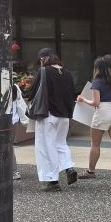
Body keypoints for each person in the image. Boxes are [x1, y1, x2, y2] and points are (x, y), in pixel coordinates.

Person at [75, 57, 111, 180]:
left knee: (95, 144)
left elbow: (96, 103)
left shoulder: (97, 81)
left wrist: (82, 99)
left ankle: (90, 171)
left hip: (102, 113)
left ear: (97, 68)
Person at [28, 48, 78, 192]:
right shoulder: (67, 73)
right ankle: (69, 168)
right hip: (64, 117)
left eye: (40, 60)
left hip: (48, 115)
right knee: (61, 143)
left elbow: (33, 92)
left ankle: (53, 181)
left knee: (46, 146)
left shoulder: (44, 72)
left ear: (43, 59)